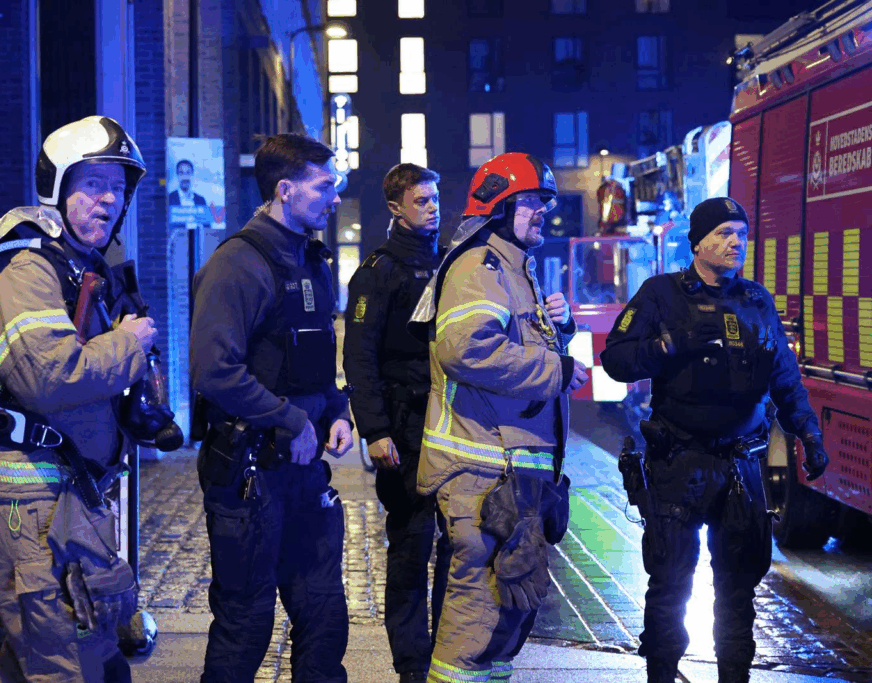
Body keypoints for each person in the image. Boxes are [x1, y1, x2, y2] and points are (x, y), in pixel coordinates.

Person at [0, 116, 159, 682]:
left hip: (60, 495)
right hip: (28, 505)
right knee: (70, 663)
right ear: (57, 186)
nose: (108, 199)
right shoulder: (25, 270)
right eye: (92, 184)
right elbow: (48, 379)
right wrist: (128, 342)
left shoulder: (76, 266)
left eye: (117, 187)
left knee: (47, 661)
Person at [599, 197, 830, 683]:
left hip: (741, 467)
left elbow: (785, 377)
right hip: (680, 463)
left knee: (739, 591)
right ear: (698, 243)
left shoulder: (756, 299)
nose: (735, 242)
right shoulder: (661, 294)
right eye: (724, 233)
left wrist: (808, 431)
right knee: (670, 585)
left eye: (741, 233)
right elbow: (615, 360)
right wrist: (668, 344)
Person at [407, 153, 589, 683]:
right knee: (476, 619)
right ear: (498, 205)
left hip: (511, 474)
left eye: (545, 202)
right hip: (482, 474)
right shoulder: (479, 266)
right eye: (530, 201)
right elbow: (466, 349)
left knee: (504, 625)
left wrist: (560, 330)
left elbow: (513, 342)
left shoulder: (513, 269)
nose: (542, 211)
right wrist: (555, 369)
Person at [190, 133, 354, 683]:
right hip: (249, 473)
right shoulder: (238, 263)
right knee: (246, 622)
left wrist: (337, 411)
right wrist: (289, 418)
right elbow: (213, 371)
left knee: (324, 612)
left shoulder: (311, 257)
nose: (335, 198)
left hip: (303, 472)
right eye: (324, 186)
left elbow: (314, 361)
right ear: (285, 190)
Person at [342, 163, 452, 683]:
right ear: (395, 208)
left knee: (458, 545)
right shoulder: (378, 271)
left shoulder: (451, 262)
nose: (432, 208)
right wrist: (375, 429)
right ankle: (412, 665)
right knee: (410, 547)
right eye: (421, 201)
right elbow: (359, 355)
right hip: (403, 428)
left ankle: (448, 654)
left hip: (449, 426)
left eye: (435, 199)